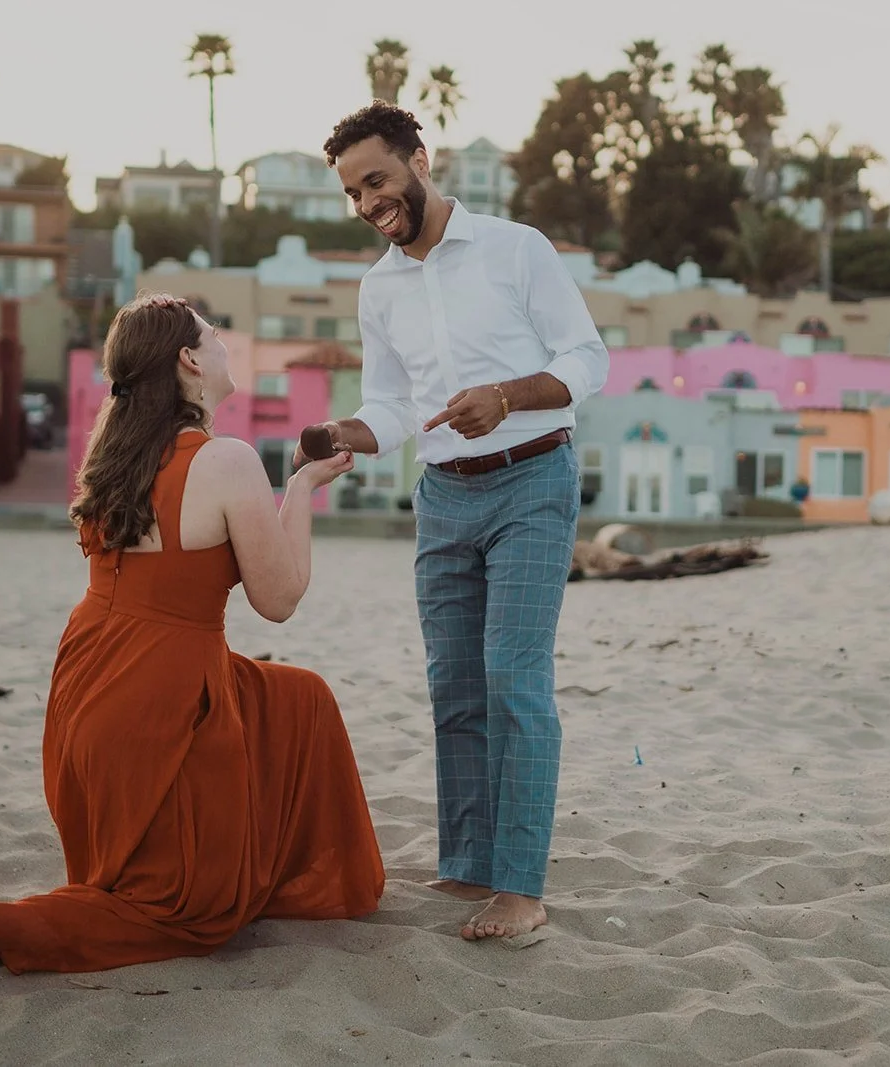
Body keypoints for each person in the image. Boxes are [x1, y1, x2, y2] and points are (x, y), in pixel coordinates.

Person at [0, 293, 384, 988]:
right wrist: (301, 492)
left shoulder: (115, 451)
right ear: (190, 359)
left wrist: (298, 481)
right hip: (160, 699)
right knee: (190, 914)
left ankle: (260, 873)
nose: (225, 343)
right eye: (215, 334)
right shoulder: (227, 460)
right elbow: (279, 600)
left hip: (88, 689)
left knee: (298, 695)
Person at [302, 101, 609, 941]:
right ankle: (471, 864)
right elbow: (393, 407)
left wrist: (507, 396)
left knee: (514, 677)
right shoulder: (379, 287)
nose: (368, 204)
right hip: (442, 498)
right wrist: (347, 436)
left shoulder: (517, 249)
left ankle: (521, 886)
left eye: (377, 180)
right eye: (353, 194)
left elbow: (588, 360)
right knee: (455, 688)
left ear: (419, 160)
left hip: (533, 480)